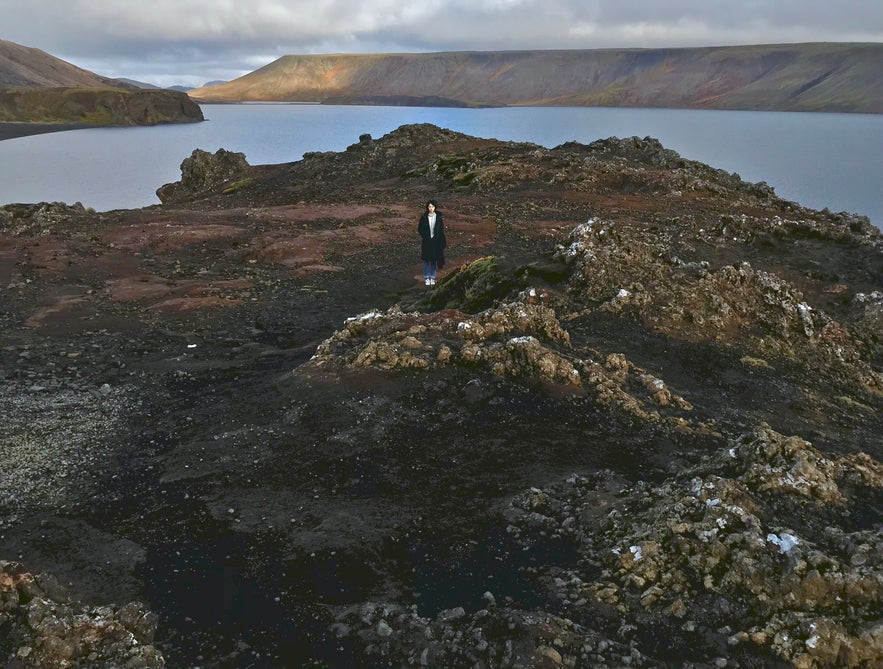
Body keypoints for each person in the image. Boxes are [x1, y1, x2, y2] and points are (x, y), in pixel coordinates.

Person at [417, 199, 446, 286]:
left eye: (432, 206)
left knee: (434, 259)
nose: (431, 208)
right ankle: (426, 277)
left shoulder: (439, 217)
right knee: (426, 260)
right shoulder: (424, 217)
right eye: (429, 206)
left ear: (435, 207)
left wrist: (441, 240)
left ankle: (432, 277)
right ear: (427, 207)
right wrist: (425, 236)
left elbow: (441, 229)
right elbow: (420, 228)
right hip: (426, 241)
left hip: (435, 241)